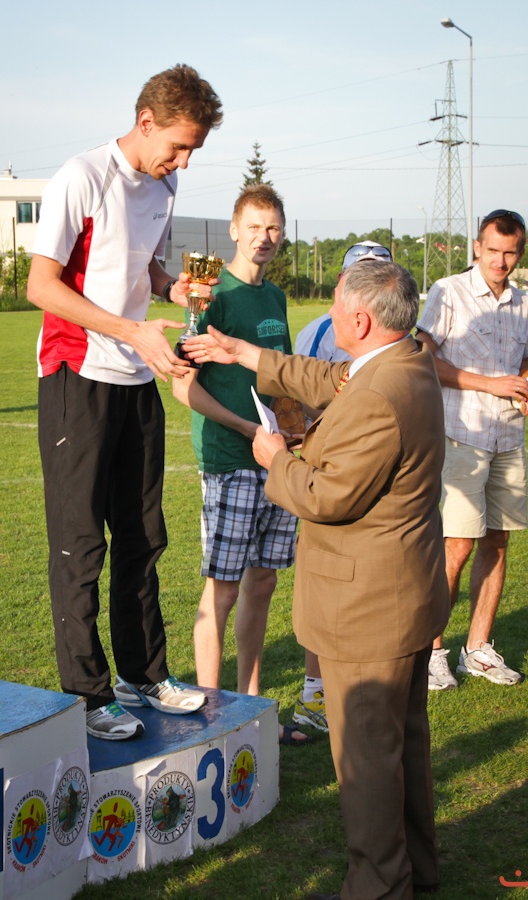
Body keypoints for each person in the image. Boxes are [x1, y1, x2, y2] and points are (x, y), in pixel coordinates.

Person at [185, 261, 450, 898]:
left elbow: (326, 497)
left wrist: (277, 458)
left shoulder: (379, 395)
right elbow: (328, 379)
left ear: (360, 319)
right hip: (404, 596)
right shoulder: (404, 361)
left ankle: (379, 886)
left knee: (366, 760)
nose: (328, 315)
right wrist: (242, 352)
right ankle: (414, 869)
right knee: (403, 744)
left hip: (368, 610)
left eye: (334, 305)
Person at [27, 64, 223, 741]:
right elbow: (41, 285)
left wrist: (173, 291)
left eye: (194, 150)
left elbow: (146, 267)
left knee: (143, 537)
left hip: (138, 379)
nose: (184, 161)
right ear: (146, 122)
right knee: (80, 544)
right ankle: (87, 695)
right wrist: (129, 330)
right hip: (77, 373)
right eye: (179, 146)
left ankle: (144, 675)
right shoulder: (81, 176)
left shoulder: (164, 185)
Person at [172, 184, 305, 744]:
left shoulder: (275, 298)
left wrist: (294, 424)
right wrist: (248, 429)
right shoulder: (211, 295)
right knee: (223, 589)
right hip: (231, 460)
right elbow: (183, 388)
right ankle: (211, 716)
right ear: (233, 230)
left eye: (273, 227)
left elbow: (282, 377)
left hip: (278, 458)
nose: (264, 237)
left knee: (263, 583)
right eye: (254, 227)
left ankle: (249, 710)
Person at [416, 209, 528, 691]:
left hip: (508, 437)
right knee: (457, 546)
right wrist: (491, 384)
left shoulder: (524, 303)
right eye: (492, 250)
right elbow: (424, 357)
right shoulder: (448, 291)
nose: (500, 261)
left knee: (497, 541)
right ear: (476, 247)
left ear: (521, 252)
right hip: (461, 435)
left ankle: (478, 648)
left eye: (510, 253)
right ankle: (431, 652)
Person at [292, 240, 392, 735]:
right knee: (324, 577)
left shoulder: (402, 338)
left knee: (371, 580)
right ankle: (316, 688)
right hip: (329, 467)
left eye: (378, 273)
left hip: (377, 469)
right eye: (359, 273)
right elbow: (298, 396)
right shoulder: (317, 331)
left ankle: (368, 686)